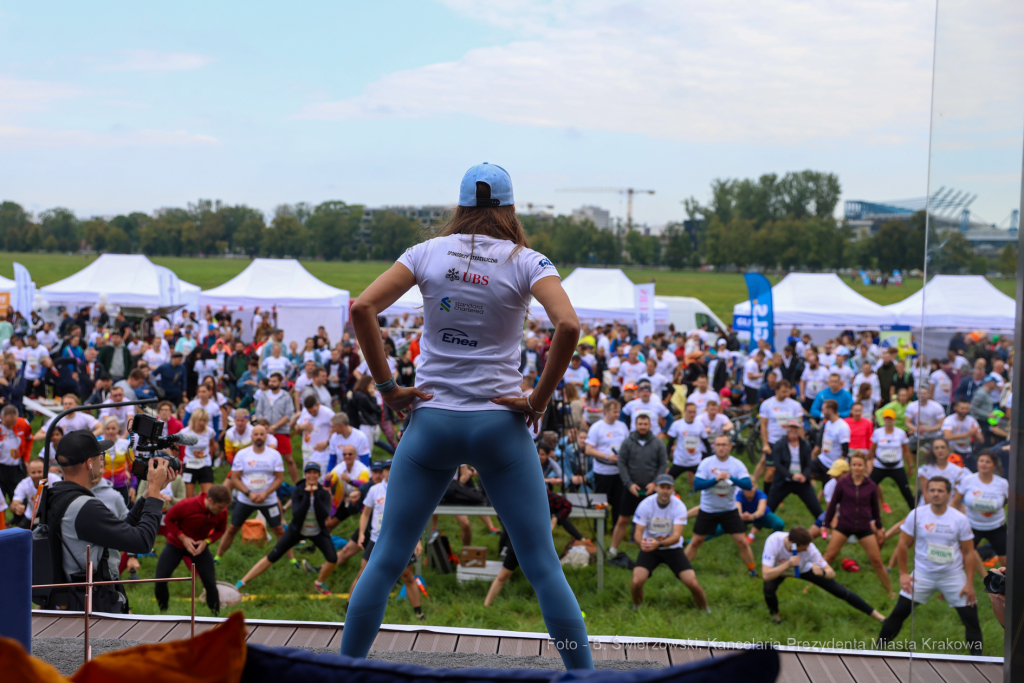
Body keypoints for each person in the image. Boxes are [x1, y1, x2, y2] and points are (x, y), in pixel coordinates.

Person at [338, 163, 593, 670]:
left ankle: (345, 671)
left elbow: (363, 308)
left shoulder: (425, 253)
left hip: (431, 422)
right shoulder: (528, 261)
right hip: (500, 425)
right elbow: (567, 326)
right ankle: (582, 674)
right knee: (543, 566)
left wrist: (388, 387)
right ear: (510, 209)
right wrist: (538, 400)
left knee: (387, 558)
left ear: (460, 206)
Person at [42, 430, 169, 612]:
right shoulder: (85, 508)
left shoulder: (55, 496)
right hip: (91, 606)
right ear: (88, 463)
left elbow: (121, 530)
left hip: (66, 599)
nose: (101, 460)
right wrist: (156, 494)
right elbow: (142, 542)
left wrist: (146, 497)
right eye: (99, 456)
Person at [878, 477, 981, 656]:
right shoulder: (917, 514)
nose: (935, 494)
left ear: (949, 494)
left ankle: (978, 661)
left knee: (971, 619)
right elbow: (902, 544)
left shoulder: (960, 519)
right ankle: (877, 652)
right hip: (922, 575)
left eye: (940, 491)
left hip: (953, 575)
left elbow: (969, 552)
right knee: (898, 613)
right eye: (932, 490)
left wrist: (970, 582)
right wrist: (903, 574)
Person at [236, 462, 339, 595]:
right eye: (309, 472)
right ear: (305, 474)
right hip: (296, 531)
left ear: (319, 475)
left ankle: (319, 583)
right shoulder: (298, 491)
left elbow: (324, 514)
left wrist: (315, 495)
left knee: (333, 558)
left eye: (315, 472)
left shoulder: (323, 493)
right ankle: (242, 582)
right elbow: (297, 515)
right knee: (273, 556)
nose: (312, 475)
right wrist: (307, 496)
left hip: (317, 532)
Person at [348, 459, 425, 620]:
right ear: (382, 472)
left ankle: (419, 612)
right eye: (387, 469)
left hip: (401, 541)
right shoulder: (374, 490)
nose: (390, 472)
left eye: (393, 468)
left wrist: (417, 539)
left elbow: (415, 517)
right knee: (362, 574)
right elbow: (365, 513)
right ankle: (349, 608)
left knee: (407, 577)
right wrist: (362, 533)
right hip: (376, 540)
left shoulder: (407, 488)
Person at [762, 526, 885, 625]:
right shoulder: (774, 541)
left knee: (839, 590)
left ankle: (878, 616)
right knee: (768, 588)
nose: (806, 551)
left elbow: (832, 573)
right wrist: (788, 564)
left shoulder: (810, 548)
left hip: (804, 569)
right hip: (779, 569)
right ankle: (775, 616)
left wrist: (823, 573)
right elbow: (766, 575)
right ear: (792, 543)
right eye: (803, 549)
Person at [214, 423, 293, 567]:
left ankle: (292, 560)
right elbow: (235, 478)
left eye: (262, 434)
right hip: (246, 499)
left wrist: (265, 493)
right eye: (256, 434)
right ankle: (218, 557)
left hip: (268, 500)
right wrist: (248, 493)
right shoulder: (243, 454)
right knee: (232, 528)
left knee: (279, 529)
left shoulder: (274, 455)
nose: (259, 437)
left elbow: (280, 478)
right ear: (251, 437)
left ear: (266, 437)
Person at [629, 473, 709, 612]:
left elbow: (677, 536)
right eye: (662, 487)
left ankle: (705, 610)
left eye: (668, 488)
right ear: (655, 488)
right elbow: (637, 532)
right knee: (636, 582)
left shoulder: (679, 506)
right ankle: (637, 607)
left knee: (692, 583)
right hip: (650, 548)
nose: (665, 491)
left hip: (672, 549)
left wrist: (659, 544)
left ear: (673, 489)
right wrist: (641, 543)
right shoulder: (645, 505)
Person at [685, 435, 757, 577]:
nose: (721, 448)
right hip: (708, 509)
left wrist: (731, 478)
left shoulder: (736, 464)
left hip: (729, 510)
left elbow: (748, 484)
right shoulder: (707, 463)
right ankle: (681, 569)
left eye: (724, 445)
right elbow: (697, 485)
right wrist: (715, 479)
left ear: (730, 447)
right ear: (714, 447)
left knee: (742, 542)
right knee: (696, 541)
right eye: (718, 445)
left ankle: (753, 571)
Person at [821, 452, 891, 596]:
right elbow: (833, 505)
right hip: (844, 525)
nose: (857, 468)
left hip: (864, 527)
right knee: (829, 556)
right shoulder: (842, 484)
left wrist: (878, 527)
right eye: (854, 465)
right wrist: (826, 524)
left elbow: (875, 509)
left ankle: (890, 592)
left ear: (865, 466)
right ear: (850, 466)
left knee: (877, 560)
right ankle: (811, 585)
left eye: (860, 465)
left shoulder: (871, 486)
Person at [157, 485, 230, 614]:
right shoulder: (186, 505)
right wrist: (183, 538)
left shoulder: (222, 512)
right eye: (219, 507)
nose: (222, 510)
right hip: (175, 545)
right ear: (210, 500)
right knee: (160, 580)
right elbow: (168, 519)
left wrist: (206, 542)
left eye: (223, 508)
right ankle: (163, 612)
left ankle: (215, 616)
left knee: (210, 583)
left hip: (199, 548)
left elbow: (220, 531)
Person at [611, 413, 667, 563]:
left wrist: (655, 483)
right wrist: (629, 484)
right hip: (631, 488)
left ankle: (656, 550)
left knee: (653, 520)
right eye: (640, 424)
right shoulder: (628, 442)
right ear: (635, 425)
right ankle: (612, 550)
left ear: (650, 425)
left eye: (645, 424)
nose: (642, 427)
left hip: (651, 489)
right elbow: (621, 463)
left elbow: (663, 464)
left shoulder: (658, 443)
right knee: (623, 519)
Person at [583, 399, 629, 553]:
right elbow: (588, 450)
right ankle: (598, 529)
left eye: (619, 412)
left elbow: (627, 445)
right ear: (606, 411)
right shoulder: (597, 427)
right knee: (601, 501)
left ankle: (616, 529)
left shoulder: (622, 426)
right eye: (615, 412)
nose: (617, 414)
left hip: (619, 471)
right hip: (603, 470)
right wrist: (606, 456)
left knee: (619, 501)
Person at [952, 452, 1008, 568]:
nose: (984, 464)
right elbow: (955, 503)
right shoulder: (968, 480)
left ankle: (1006, 585)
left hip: (996, 527)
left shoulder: (1002, 483)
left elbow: (1009, 503)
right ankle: (975, 581)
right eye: (981, 460)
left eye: (988, 462)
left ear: (994, 466)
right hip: (972, 526)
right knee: (961, 559)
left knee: (1007, 563)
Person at [766, 420, 822, 518]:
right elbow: (777, 465)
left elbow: (809, 464)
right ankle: (753, 530)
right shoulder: (779, 444)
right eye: (791, 427)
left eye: (796, 427)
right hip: (783, 482)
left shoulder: (805, 445)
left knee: (817, 510)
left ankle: (825, 529)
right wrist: (791, 476)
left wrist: (804, 475)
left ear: (799, 429)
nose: (793, 430)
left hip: (801, 482)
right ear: (787, 428)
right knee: (768, 509)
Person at [253, 372, 299, 483]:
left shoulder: (286, 396)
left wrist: (274, 426)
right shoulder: (264, 395)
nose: (271, 383)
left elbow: (288, 414)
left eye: (274, 381)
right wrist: (264, 426)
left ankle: (297, 484)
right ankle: (266, 482)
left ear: (280, 382)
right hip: (265, 433)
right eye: (270, 381)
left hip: (282, 431)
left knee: (289, 459)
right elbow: (258, 411)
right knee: (264, 459)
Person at [869, 409, 914, 512]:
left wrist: (910, 465)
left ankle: (915, 513)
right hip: (880, 466)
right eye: (886, 419)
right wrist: (867, 460)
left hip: (897, 467)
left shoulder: (901, 433)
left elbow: (906, 451)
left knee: (906, 491)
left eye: (891, 419)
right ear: (884, 419)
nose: (888, 421)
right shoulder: (877, 432)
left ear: (894, 419)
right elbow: (872, 449)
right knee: (868, 488)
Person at [9, 457, 62, 528]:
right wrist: (16, 507)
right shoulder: (24, 484)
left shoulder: (55, 480)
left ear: (46, 470)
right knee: (15, 534)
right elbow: (14, 504)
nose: (37, 475)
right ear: (28, 472)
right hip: (32, 518)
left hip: (52, 518)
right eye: (33, 472)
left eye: (39, 471)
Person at [666, 402, 706, 491]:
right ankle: (670, 494)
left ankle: (695, 492)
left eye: (694, 412)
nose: (692, 414)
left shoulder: (699, 425)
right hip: (680, 461)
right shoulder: (677, 425)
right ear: (684, 411)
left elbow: (706, 443)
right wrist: (666, 457)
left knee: (706, 483)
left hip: (695, 461)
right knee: (667, 480)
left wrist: (709, 458)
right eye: (690, 412)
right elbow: (670, 443)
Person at [180, 408, 217, 498]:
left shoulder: (210, 431)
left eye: (204, 420)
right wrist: (178, 459)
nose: (202, 423)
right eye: (199, 420)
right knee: (188, 497)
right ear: (194, 419)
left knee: (208, 496)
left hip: (205, 463)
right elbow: (175, 445)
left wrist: (210, 456)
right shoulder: (185, 432)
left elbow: (212, 445)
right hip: (189, 464)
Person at [812, 399, 850, 481]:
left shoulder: (842, 427)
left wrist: (838, 468)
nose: (822, 412)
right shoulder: (828, 423)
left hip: (833, 464)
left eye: (823, 409)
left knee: (829, 489)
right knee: (807, 469)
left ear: (830, 410)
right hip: (823, 460)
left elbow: (845, 451)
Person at [297, 394, 335, 474]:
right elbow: (296, 428)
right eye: (309, 412)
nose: (312, 414)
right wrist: (301, 426)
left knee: (320, 479)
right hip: (307, 452)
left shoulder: (327, 412)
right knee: (307, 479)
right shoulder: (304, 411)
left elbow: (337, 428)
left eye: (314, 411)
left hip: (322, 453)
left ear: (318, 404)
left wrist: (327, 443)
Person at [905, 385, 945, 455]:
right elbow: (907, 422)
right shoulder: (911, 406)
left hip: (934, 435)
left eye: (924, 393)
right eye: (920, 393)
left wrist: (927, 429)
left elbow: (942, 424)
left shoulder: (937, 406)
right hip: (918, 435)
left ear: (928, 394)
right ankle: (913, 464)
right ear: (917, 394)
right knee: (907, 447)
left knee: (938, 452)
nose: (922, 395)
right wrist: (916, 428)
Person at [942, 400, 981, 469]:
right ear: (955, 408)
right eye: (962, 408)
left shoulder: (972, 420)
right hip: (952, 451)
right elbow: (947, 436)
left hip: (968, 451)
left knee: (976, 469)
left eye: (967, 408)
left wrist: (976, 434)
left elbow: (981, 440)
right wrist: (967, 434)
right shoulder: (949, 420)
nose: (965, 411)